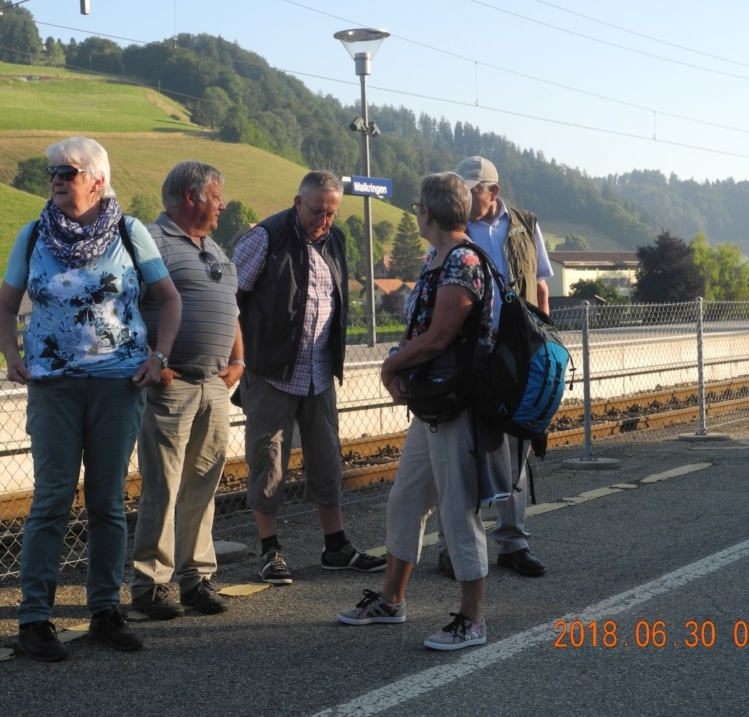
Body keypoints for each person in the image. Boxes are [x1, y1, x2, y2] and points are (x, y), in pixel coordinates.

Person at [0, 137, 182, 662]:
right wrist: (10, 355)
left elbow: (169, 300)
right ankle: (34, 620)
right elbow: (4, 307)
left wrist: (159, 357)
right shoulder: (33, 234)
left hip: (118, 385)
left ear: (97, 181)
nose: (56, 178)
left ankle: (105, 612)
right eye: (53, 171)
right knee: (51, 499)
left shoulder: (129, 232)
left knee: (107, 502)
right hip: (53, 387)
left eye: (68, 171)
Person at [336, 171, 501, 651]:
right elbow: (421, 330)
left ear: (426, 213)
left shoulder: (463, 261)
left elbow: (440, 336)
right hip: (433, 405)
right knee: (406, 499)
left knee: (457, 511)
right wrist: (400, 363)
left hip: (457, 407)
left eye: (417, 209)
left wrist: (390, 367)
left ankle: (472, 620)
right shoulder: (437, 258)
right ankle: (392, 601)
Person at [233, 170, 384, 585]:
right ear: (298, 203)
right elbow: (231, 298)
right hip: (271, 371)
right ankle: (270, 551)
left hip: (319, 371)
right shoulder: (264, 237)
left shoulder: (335, 239)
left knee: (327, 461)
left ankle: (336, 547)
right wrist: (237, 357)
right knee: (268, 463)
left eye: (331, 213)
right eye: (317, 211)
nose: (324, 220)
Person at [129, 161, 243, 619]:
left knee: (203, 485)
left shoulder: (213, 247)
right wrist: (154, 359)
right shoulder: (150, 241)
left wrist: (238, 361)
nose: (223, 204)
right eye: (217, 196)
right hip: (171, 386)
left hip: (214, 385)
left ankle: (196, 578)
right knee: (163, 487)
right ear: (191, 197)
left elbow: (231, 306)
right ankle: (151, 585)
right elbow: (123, 308)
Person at [435, 155, 553, 579]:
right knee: (463, 452)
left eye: (471, 190)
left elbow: (540, 286)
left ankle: (513, 543)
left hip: (518, 353)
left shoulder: (525, 224)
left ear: (493, 191)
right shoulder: (452, 227)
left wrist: (544, 343)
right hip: (469, 352)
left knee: (517, 448)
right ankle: (451, 547)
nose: (464, 197)